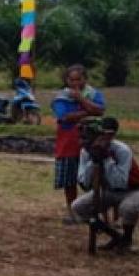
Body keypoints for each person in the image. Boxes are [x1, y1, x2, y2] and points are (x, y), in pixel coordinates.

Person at [71, 117, 139, 254]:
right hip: (108, 190)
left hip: (133, 189)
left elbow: (119, 182)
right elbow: (84, 183)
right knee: (78, 207)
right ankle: (115, 236)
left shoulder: (122, 150)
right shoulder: (86, 151)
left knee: (128, 207)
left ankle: (127, 240)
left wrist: (107, 158)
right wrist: (93, 161)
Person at [52, 64, 105, 225]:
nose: (75, 83)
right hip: (68, 143)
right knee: (70, 181)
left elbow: (100, 110)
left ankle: (94, 211)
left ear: (85, 79)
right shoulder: (60, 98)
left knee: (96, 178)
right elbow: (65, 117)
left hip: (91, 142)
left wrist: (81, 99)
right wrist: (88, 111)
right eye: (72, 80)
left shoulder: (94, 94)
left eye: (79, 79)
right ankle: (73, 212)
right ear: (67, 80)